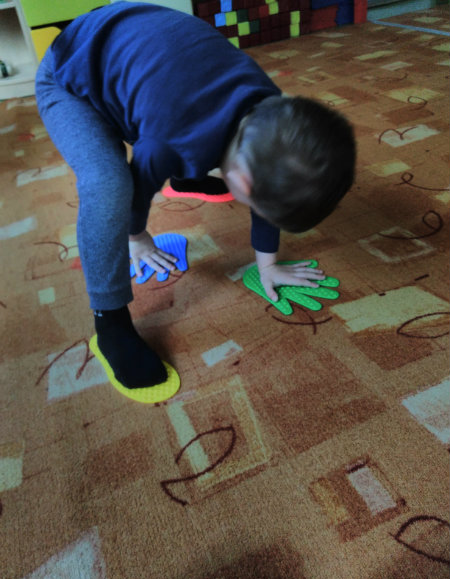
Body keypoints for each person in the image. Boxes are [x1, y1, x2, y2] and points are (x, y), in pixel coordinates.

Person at [35, 1, 356, 391]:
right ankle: (109, 322)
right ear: (244, 185)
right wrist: (136, 237)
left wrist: (268, 264)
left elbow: (268, 178)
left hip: (132, 51)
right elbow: (137, 191)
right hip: (68, 73)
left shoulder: (271, 109)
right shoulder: (167, 139)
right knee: (109, 183)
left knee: (215, 155)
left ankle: (190, 175)